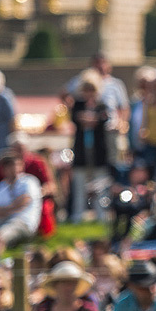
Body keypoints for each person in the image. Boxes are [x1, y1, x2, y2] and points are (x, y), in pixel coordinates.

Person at [66, 74, 116, 224]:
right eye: (86, 89)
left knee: (100, 185)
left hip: (98, 152)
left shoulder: (102, 105)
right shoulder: (78, 104)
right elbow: (76, 118)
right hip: (82, 151)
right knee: (79, 184)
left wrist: (90, 119)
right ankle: (78, 214)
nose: (89, 93)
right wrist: (89, 119)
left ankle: (101, 214)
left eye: (91, 90)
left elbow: (103, 120)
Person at [0, 149, 41, 262]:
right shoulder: (0, 187)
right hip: (1, 221)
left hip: (23, 222)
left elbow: (24, 202)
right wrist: (13, 207)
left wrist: (4, 210)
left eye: (15, 165)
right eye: (8, 166)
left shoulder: (29, 181)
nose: (13, 169)